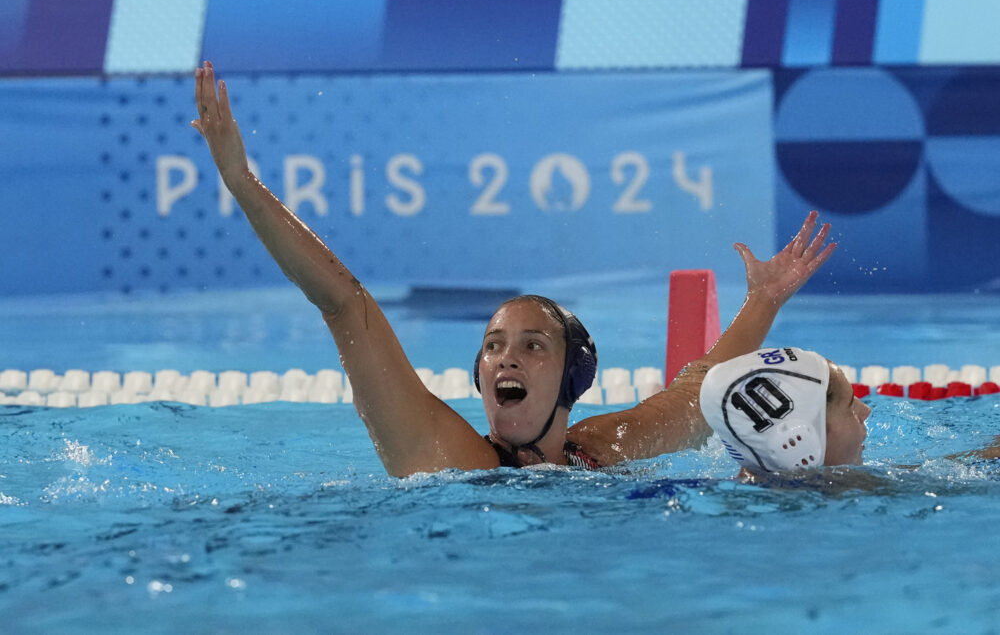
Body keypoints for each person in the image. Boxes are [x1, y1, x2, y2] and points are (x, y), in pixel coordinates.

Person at [191, 60, 836, 477]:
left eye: (533, 346)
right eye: (495, 346)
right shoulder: (446, 455)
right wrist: (244, 184)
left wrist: (762, 302)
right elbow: (344, 303)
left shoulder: (601, 450)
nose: (507, 360)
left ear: (571, 375)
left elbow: (698, 393)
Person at [700, 347, 1000, 482]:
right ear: (801, 442)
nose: (866, 411)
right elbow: (932, 483)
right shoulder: (835, 492)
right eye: (850, 406)